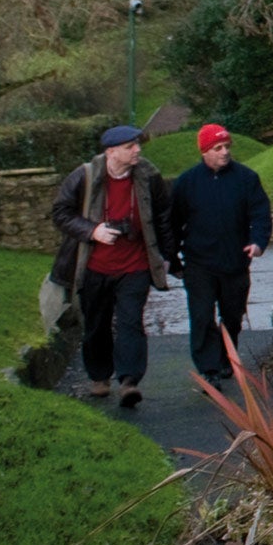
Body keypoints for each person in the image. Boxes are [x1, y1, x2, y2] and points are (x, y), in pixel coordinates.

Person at [48, 123, 176, 409]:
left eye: (137, 145)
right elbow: (60, 212)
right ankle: (99, 376)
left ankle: (129, 382)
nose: (137, 151)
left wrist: (167, 256)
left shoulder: (148, 176)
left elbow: (163, 215)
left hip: (135, 264)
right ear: (111, 152)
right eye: (130, 147)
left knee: (131, 321)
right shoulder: (85, 175)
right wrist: (93, 231)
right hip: (94, 265)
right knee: (96, 323)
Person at [168, 123, 273, 388]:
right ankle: (209, 368)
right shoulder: (187, 182)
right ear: (204, 152)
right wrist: (173, 258)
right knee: (202, 315)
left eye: (227, 147)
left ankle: (227, 356)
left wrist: (258, 242)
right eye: (217, 148)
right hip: (199, 262)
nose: (224, 152)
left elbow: (260, 214)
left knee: (233, 314)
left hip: (234, 261)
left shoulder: (246, 179)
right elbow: (172, 222)